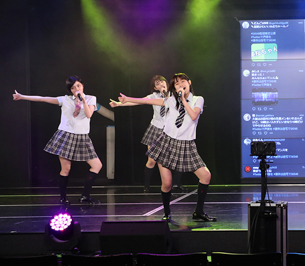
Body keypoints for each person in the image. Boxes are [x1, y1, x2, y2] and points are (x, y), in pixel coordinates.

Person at [118, 73, 215, 222]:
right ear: (174, 88)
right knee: (167, 183)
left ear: (189, 83)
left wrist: (183, 100)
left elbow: (194, 116)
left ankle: (199, 211)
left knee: (206, 176)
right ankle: (167, 213)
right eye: (176, 84)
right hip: (167, 142)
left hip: (187, 144)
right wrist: (128, 99)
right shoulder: (170, 100)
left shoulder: (198, 99)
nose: (180, 85)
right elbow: (148, 101)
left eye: (182, 82)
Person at [13, 75, 102, 205]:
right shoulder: (65, 100)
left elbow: (88, 114)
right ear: (70, 90)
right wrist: (22, 97)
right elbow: (43, 99)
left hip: (83, 137)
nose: (76, 89)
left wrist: (82, 100)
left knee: (97, 165)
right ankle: (63, 199)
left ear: (82, 85)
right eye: (73, 88)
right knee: (66, 169)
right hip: (66, 135)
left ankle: (85, 196)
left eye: (78, 85)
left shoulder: (90, 98)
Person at [110, 75, 183, 193]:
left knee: (175, 157)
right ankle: (146, 186)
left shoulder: (174, 95)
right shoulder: (153, 96)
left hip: (170, 130)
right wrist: (119, 104)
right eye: (157, 84)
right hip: (156, 128)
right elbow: (138, 102)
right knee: (152, 160)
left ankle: (176, 184)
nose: (161, 84)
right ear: (155, 88)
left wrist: (167, 94)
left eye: (162, 82)